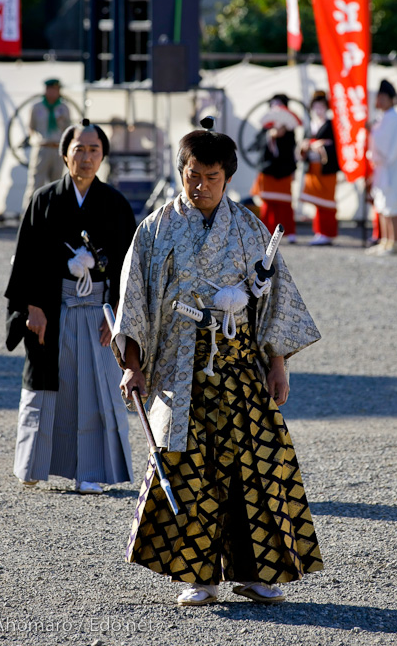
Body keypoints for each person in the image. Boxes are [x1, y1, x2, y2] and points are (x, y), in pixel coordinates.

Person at [112, 125, 323, 606]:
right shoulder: (156, 229)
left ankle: (255, 573)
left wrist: (277, 362)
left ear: (227, 177)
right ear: (180, 172)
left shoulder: (248, 228)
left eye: (211, 176)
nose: (200, 185)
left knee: (254, 468)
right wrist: (132, 363)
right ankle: (197, 576)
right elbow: (134, 303)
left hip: (237, 364)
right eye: (192, 175)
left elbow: (274, 300)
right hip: (178, 368)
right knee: (188, 472)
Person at [5, 119, 136, 494]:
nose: (87, 156)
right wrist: (32, 307)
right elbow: (25, 258)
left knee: (97, 388)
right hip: (53, 306)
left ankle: (90, 471)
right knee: (45, 386)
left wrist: (119, 316)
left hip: (98, 311)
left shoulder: (115, 204)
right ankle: (34, 463)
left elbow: (130, 266)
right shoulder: (44, 199)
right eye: (79, 149)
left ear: (103, 156)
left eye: (94, 150)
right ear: (65, 155)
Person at [250, 94, 299, 243]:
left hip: (284, 170)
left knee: (285, 204)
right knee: (268, 204)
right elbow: (256, 145)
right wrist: (269, 136)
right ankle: (266, 232)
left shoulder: (290, 130)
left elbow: (291, 149)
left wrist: (282, 135)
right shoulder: (265, 128)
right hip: (268, 169)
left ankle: (289, 232)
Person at [21, 78, 71, 212]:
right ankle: (29, 214)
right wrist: (36, 139)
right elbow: (31, 127)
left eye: (56, 89)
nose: (53, 92)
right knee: (36, 183)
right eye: (51, 89)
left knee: (57, 185)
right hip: (42, 147)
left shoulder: (63, 108)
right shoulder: (37, 107)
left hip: (57, 148)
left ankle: (54, 216)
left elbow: (68, 128)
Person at [298, 91, 341, 246]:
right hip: (313, 167)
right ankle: (319, 231)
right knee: (317, 202)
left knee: (327, 202)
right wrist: (306, 145)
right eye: (315, 106)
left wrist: (323, 146)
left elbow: (337, 146)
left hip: (326, 167)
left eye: (321, 106)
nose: (318, 109)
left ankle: (328, 233)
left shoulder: (332, 124)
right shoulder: (310, 124)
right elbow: (304, 142)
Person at [366, 79, 397, 256]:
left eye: (382, 97)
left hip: (392, 167)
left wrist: (372, 131)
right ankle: (385, 240)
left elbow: (390, 145)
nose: (379, 100)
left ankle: (394, 242)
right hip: (381, 167)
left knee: (392, 205)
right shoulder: (382, 118)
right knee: (381, 205)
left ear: (390, 98)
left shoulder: (395, 118)